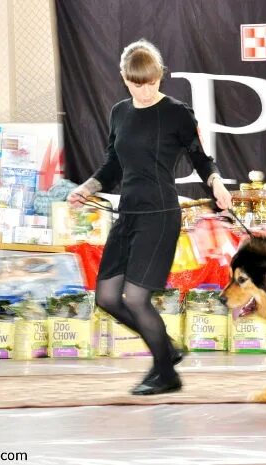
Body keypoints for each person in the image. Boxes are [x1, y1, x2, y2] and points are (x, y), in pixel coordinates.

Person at [68, 39, 232, 395]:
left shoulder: (177, 112)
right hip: (127, 214)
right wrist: (87, 187)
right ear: (124, 78)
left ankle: (166, 373)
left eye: (151, 81)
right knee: (108, 298)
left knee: (136, 298)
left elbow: (201, 158)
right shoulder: (119, 113)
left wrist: (216, 184)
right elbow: (112, 165)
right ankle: (167, 349)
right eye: (136, 83)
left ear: (160, 76)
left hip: (159, 215)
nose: (144, 89)